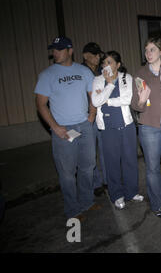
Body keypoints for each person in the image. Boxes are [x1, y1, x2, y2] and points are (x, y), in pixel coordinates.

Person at [34, 36, 97, 221]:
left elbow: (93, 93)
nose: (55, 52)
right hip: (64, 130)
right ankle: (73, 210)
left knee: (87, 167)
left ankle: (87, 202)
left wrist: (92, 114)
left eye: (60, 49)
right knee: (67, 173)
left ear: (70, 51)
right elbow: (41, 105)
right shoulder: (47, 75)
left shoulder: (84, 71)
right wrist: (55, 127)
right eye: (54, 49)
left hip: (84, 127)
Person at [91, 51, 144, 210]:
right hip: (108, 129)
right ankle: (117, 195)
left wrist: (107, 100)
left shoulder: (126, 78)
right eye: (104, 63)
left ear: (118, 64)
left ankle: (132, 192)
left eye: (109, 62)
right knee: (112, 162)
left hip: (126, 126)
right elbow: (95, 100)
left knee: (130, 160)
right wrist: (109, 84)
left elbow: (128, 99)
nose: (106, 66)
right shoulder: (98, 80)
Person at [131, 37, 161, 217]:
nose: (148, 53)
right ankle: (158, 205)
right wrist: (141, 100)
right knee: (152, 168)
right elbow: (135, 105)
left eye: (152, 50)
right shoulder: (140, 74)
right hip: (148, 126)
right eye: (146, 50)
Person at [82, 42, 107, 197]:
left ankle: (106, 180)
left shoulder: (101, 71)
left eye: (99, 54)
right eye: (95, 55)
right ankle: (96, 182)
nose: (98, 57)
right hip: (88, 116)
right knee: (90, 153)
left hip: (102, 114)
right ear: (86, 56)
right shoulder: (80, 71)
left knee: (105, 150)